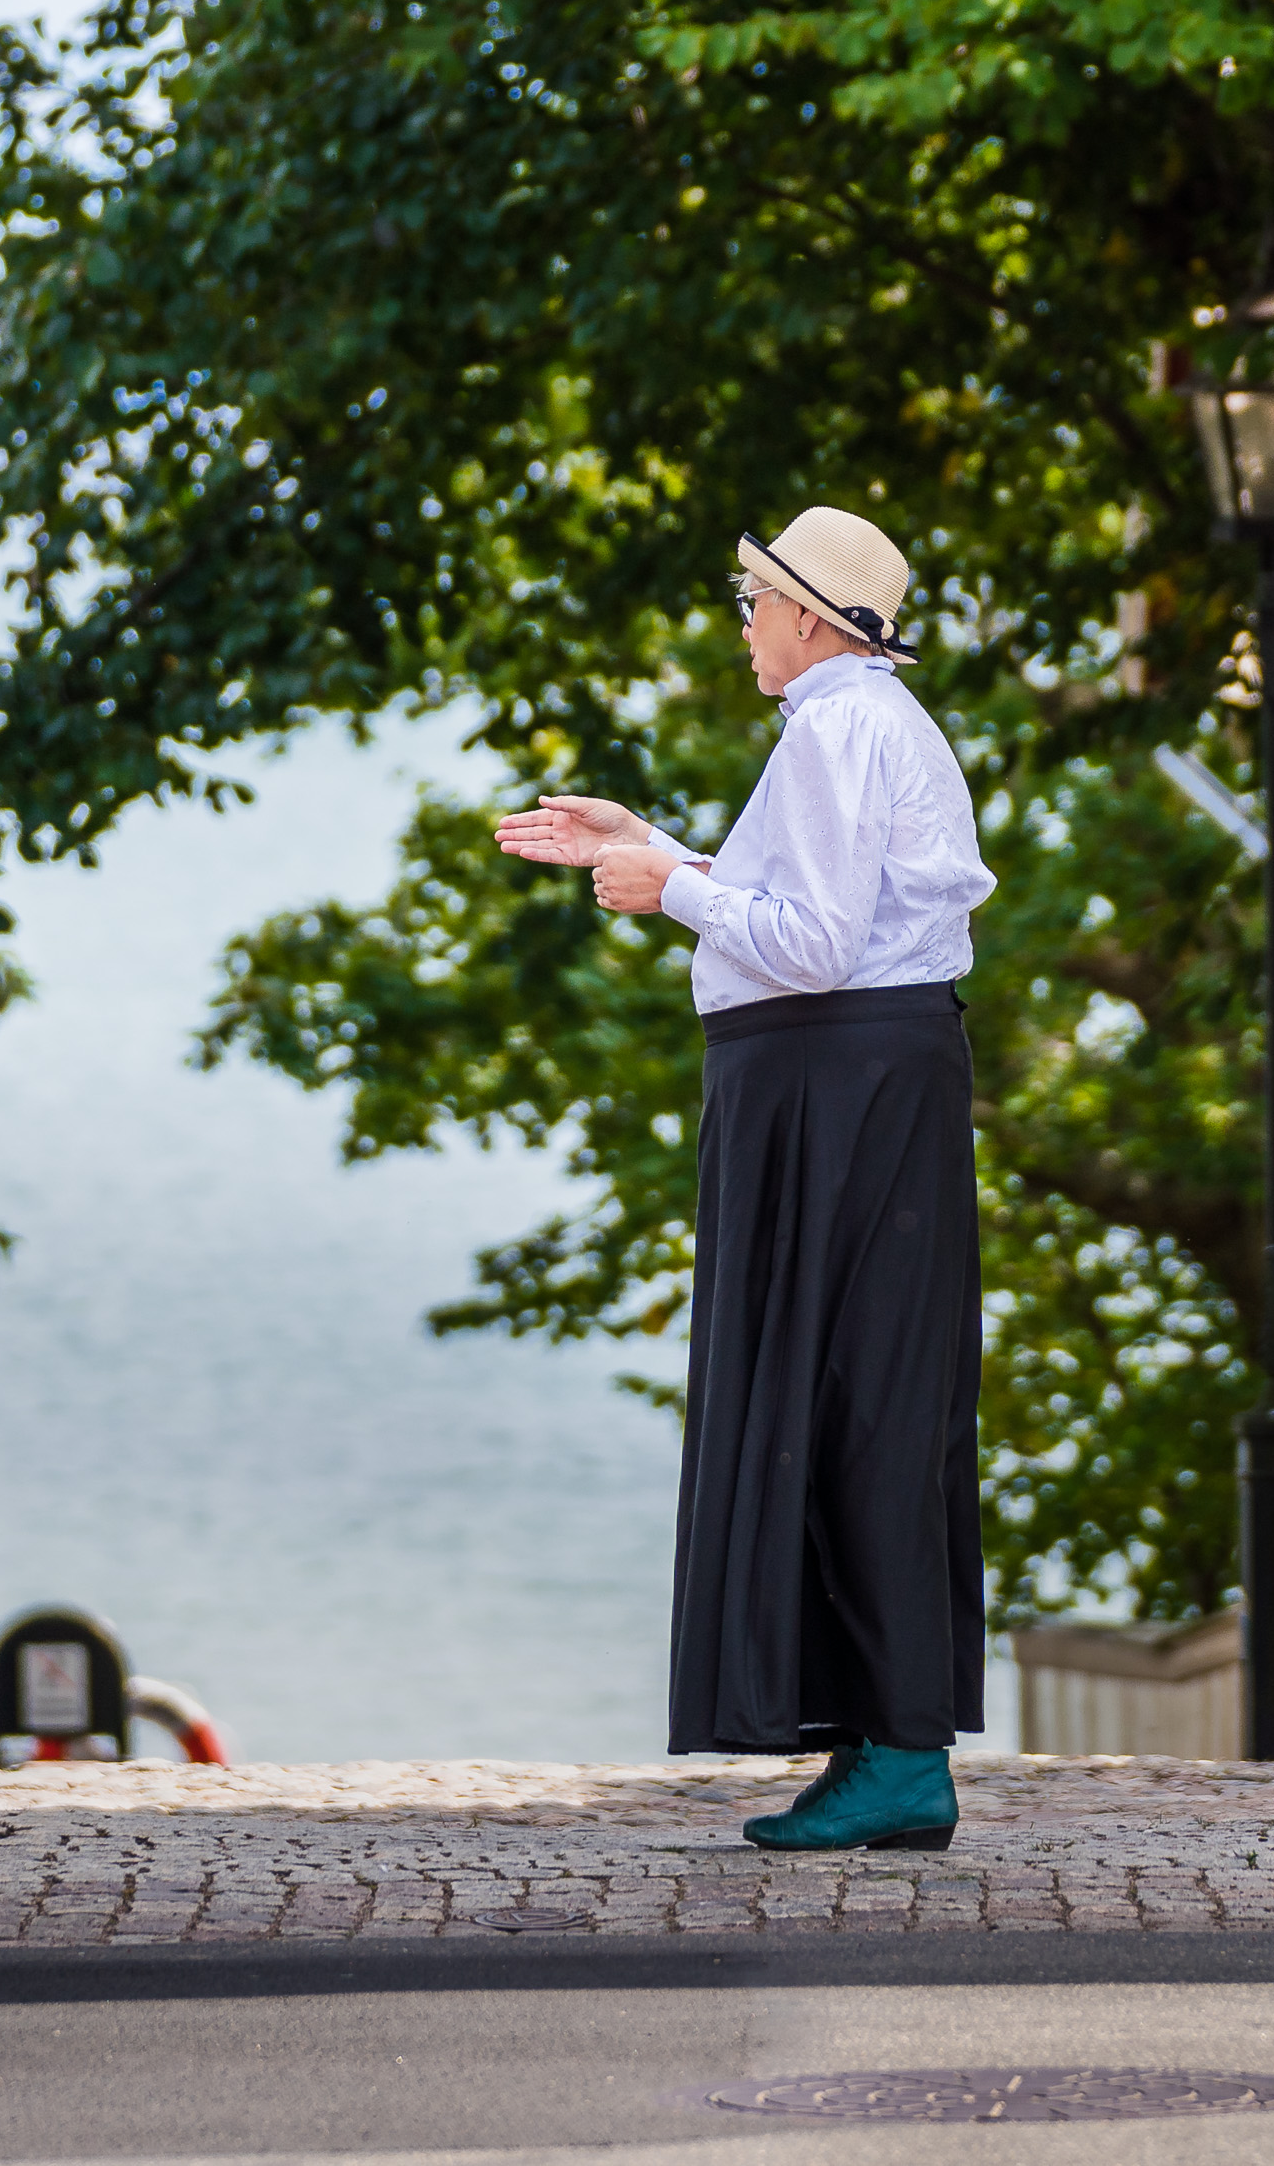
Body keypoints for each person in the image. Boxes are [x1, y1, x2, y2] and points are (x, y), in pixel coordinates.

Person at [494, 508, 995, 1852]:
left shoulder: (835, 726)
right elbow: (842, 912)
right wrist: (658, 845)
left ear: (814, 616)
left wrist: (667, 888)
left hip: (837, 1085)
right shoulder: (868, 723)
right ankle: (885, 1740)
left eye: (755, 596)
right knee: (866, 1392)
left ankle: (894, 1751)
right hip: (863, 1080)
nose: (743, 617)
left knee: (846, 1397)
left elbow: (821, 941)